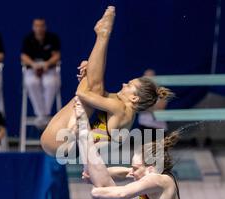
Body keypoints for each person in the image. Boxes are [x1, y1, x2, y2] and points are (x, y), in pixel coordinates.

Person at [40, 6, 174, 157]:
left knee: (93, 89)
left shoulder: (120, 108)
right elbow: (97, 89)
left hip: (62, 143)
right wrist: (89, 69)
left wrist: (88, 70)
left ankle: (103, 35)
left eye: (129, 85)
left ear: (134, 98)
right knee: (96, 87)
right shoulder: (126, 111)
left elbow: (82, 93)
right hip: (66, 143)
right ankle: (103, 35)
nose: (124, 84)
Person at [21, 18, 61, 129]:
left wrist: (47, 64)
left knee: (51, 83)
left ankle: (44, 114)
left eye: (41, 26)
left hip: (48, 68)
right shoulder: (28, 39)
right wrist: (33, 64)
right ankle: (41, 114)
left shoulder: (52, 38)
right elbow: (23, 56)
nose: (39, 28)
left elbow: (56, 55)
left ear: (45, 27)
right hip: (32, 68)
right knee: (31, 83)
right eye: (36, 26)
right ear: (33, 27)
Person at [137, 69, 169, 139]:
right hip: (144, 124)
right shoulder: (139, 92)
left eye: (151, 77)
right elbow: (139, 107)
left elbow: (161, 107)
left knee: (159, 149)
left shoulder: (162, 91)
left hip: (159, 126)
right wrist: (152, 107)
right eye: (146, 78)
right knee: (145, 149)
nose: (149, 80)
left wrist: (146, 106)